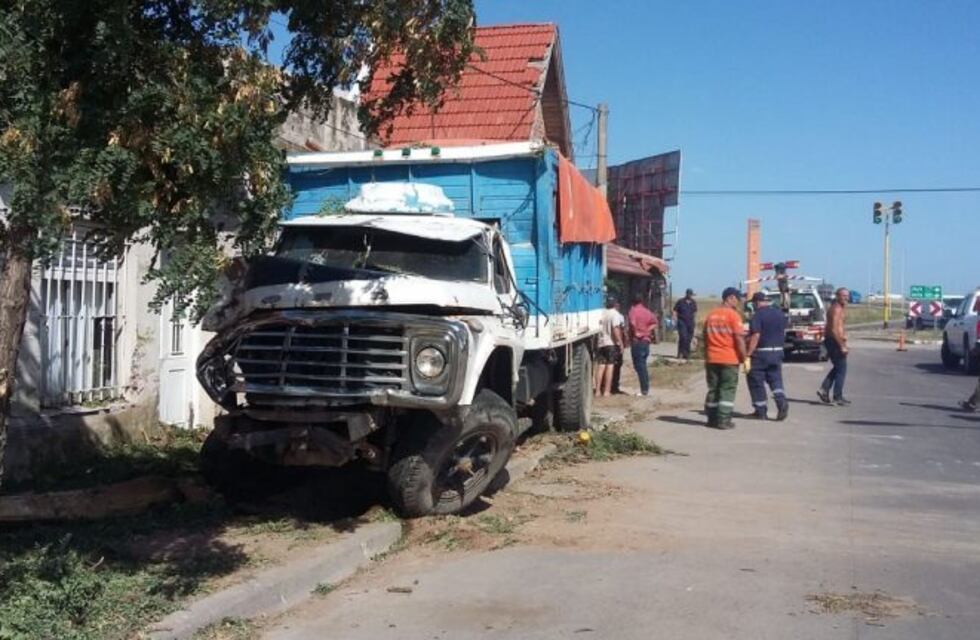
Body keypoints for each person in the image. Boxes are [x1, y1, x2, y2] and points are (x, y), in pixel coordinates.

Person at [703, 287, 747, 429]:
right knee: (727, 389)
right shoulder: (733, 316)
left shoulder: (711, 315)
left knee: (713, 388)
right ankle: (723, 420)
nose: (739, 302)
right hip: (729, 358)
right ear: (730, 298)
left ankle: (711, 418)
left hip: (712, 358)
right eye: (737, 299)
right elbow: (739, 340)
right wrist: (744, 358)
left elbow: (705, 336)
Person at [746, 291, 789, 420]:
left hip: (761, 354)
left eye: (753, 303)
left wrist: (748, 353)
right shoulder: (779, 314)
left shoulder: (757, 316)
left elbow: (756, 335)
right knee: (775, 380)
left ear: (757, 302)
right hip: (777, 352)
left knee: (756, 381)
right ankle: (781, 402)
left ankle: (760, 410)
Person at [818, 287, 851, 406]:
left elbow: (839, 327)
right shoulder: (836, 309)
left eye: (847, 295)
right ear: (837, 296)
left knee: (838, 367)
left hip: (836, 340)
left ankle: (824, 389)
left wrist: (844, 338)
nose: (846, 298)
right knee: (841, 369)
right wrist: (842, 345)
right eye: (843, 295)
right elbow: (833, 329)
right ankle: (837, 396)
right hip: (834, 341)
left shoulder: (840, 308)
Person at [594, 297, 625, 397]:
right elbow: (615, 329)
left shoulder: (601, 313)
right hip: (610, 343)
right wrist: (620, 342)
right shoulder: (615, 314)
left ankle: (598, 390)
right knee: (610, 366)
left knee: (600, 366)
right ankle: (607, 391)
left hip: (600, 342)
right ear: (615, 304)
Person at [628, 294, 658, 396]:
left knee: (639, 366)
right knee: (643, 365)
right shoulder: (647, 311)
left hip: (637, 341)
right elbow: (654, 322)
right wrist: (646, 330)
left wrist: (637, 332)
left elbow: (632, 323)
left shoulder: (633, 310)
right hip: (646, 341)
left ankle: (644, 389)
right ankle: (645, 388)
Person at [673, 288, 698, 361]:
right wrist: (674, 318)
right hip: (682, 321)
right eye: (688, 294)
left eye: (691, 294)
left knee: (689, 338)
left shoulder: (693, 302)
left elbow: (695, 312)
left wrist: (695, 321)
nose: (689, 295)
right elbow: (675, 310)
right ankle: (680, 353)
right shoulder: (680, 301)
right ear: (686, 294)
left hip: (690, 322)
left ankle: (686, 354)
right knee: (683, 337)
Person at [610, 301, 627, 394]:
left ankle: (605, 386)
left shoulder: (603, 313)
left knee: (605, 366)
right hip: (615, 343)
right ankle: (614, 386)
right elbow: (621, 330)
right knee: (616, 366)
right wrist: (621, 343)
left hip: (604, 343)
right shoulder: (618, 316)